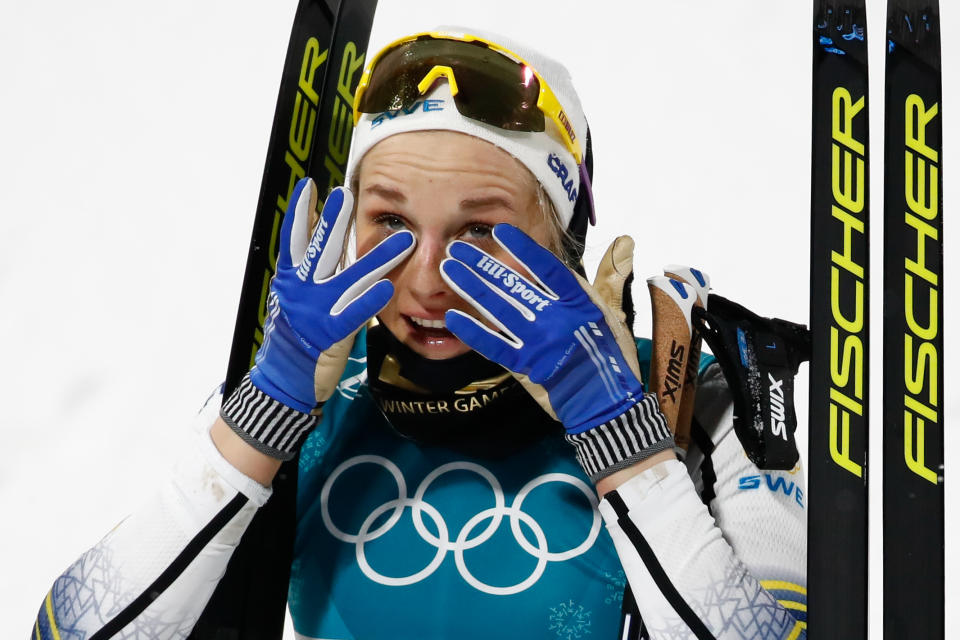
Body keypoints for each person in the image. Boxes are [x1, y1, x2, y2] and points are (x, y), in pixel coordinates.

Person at [32, 28, 807, 640]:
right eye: (391, 222)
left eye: (479, 231)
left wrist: (623, 440)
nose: (428, 278)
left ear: (562, 238)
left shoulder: (702, 404)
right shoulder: (304, 402)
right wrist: (262, 418)